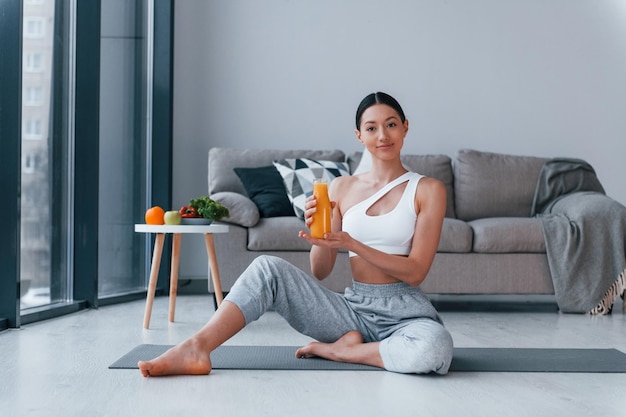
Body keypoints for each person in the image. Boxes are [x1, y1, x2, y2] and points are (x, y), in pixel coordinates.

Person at [138, 92, 454, 377]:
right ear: (359, 135)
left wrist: (352, 243)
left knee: (435, 348)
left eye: (391, 124)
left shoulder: (428, 189)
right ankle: (196, 348)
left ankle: (344, 351)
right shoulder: (341, 188)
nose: (382, 135)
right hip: (353, 311)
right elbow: (321, 270)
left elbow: (416, 271)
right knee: (267, 268)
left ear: (405, 127)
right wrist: (321, 235)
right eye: (371, 128)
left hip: (405, 315)